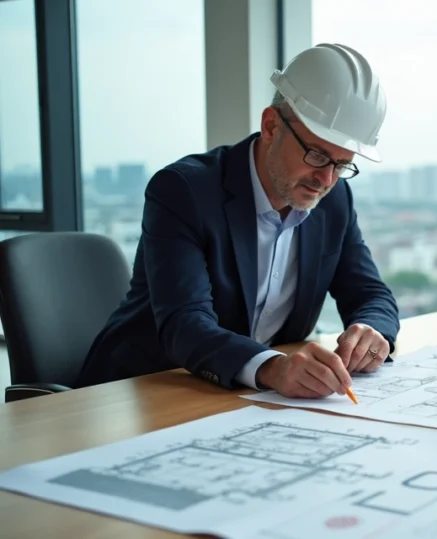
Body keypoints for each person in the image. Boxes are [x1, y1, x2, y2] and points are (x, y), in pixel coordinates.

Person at [76, 43, 400, 399]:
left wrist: (370, 330)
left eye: (341, 164)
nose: (325, 180)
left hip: (240, 401)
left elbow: (370, 293)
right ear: (272, 126)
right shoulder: (184, 191)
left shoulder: (334, 200)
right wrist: (272, 367)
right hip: (139, 392)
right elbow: (185, 325)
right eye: (317, 155)